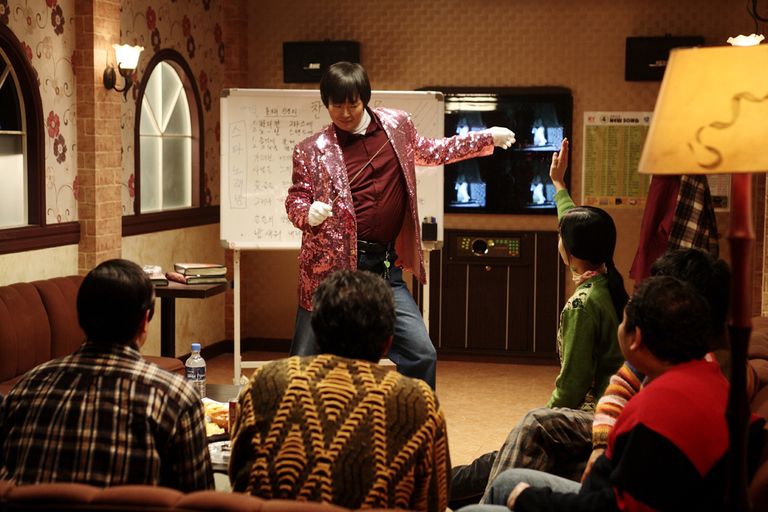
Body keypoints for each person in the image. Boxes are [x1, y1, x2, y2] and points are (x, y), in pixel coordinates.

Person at [285, 61, 516, 389]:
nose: (346, 113)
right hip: (328, 273)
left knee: (421, 353)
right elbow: (295, 198)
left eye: (353, 104)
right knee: (305, 363)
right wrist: (307, 213)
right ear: (326, 104)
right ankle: (295, 419)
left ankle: (413, 414)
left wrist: (485, 137)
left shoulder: (397, 125)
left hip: (382, 268)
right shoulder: (311, 150)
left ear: (365, 99)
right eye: (337, 106)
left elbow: (433, 152)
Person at [450, 138, 627, 507]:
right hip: (603, 410)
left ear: (569, 250)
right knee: (483, 465)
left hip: (592, 414)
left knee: (498, 456)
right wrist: (558, 184)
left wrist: (543, 421)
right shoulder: (608, 282)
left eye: (561, 237)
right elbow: (575, 224)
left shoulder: (582, 305)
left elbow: (572, 386)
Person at [461, 275, 734, 511]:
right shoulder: (705, 376)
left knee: (484, 501)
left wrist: (528, 499)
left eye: (622, 321)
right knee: (505, 480)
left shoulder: (653, 411)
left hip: (599, 501)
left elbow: (613, 506)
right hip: (608, 492)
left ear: (636, 338)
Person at [229, 269, 450, 512]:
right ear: (388, 342)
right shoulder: (419, 402)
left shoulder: (265, 382)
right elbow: (434, 502)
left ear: (316, 330)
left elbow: (239, 479)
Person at [0, 259, 213, 491]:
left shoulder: (26, 388)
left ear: (80, 317)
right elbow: (199, 496)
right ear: (144, 321)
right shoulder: (176, 397)